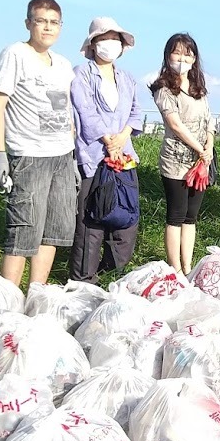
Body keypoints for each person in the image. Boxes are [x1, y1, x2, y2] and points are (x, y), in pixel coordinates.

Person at [0, 0, 77, 288]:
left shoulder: (63, 64)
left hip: (61, 156)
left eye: (53, 23)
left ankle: (36, 293)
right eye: (41, 21)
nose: (47, 28)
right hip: (29, 154)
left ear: (60, 26)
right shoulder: (15, 54)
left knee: (53, 231)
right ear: (29, 23)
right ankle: (8, 300)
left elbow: (66, 111)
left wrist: (72, 156)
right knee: (23, 231)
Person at [68, 17, 143, 284]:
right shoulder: (81, 74)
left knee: (125, 221)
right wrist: (107, 139)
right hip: (93, 157)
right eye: (103, 38)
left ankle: (111, 274)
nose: (109, 44)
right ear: (93, 43)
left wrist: (122, 137)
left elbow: (136, 113)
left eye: (115, 38)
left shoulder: (128, 78)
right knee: (91, 223)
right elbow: (85, 111)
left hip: (124, 157)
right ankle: (83, 281)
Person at [151, 33, 214, 274]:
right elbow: (175, 125)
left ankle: (187, 266)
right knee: (176, 214)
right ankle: (174, 267)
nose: (182, 58)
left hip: (200, 163)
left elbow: (210, 121)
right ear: (168, 56)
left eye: (187, 54)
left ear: (194, 58)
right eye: (177, 53)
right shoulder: (164, 88)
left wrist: (208, 147)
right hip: (176, 160)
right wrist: (200, 149)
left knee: (191, 216)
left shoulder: (199, 88)